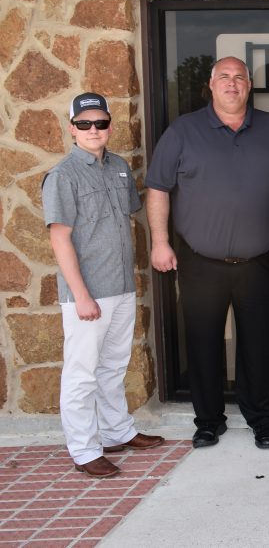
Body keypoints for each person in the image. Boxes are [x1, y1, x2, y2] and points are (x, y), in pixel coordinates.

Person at [146, 56, 269, 450]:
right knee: (202, 344)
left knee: (258, 346)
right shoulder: (183, 131)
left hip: (258, 262)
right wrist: (160, 241)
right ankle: (208, 421)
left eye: (239, 78)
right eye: (224, 78)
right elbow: (158, 188)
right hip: (200, 263)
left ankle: (262, 420)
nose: (232, 84)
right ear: (211, 85)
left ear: (249, 85)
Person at [43, 92, 164, 478]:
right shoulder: (62, 176)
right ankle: (83, 449)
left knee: (113, 366)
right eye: (84, 123)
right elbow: (60, 239)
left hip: (122, 286)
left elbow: (124, 218)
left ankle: (117, 431)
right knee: (81, 373)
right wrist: (81, 295)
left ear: (110, 125)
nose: (93, 130)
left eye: (100, 123)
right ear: (72, 128)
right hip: (88, 292)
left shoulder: (120, 168)